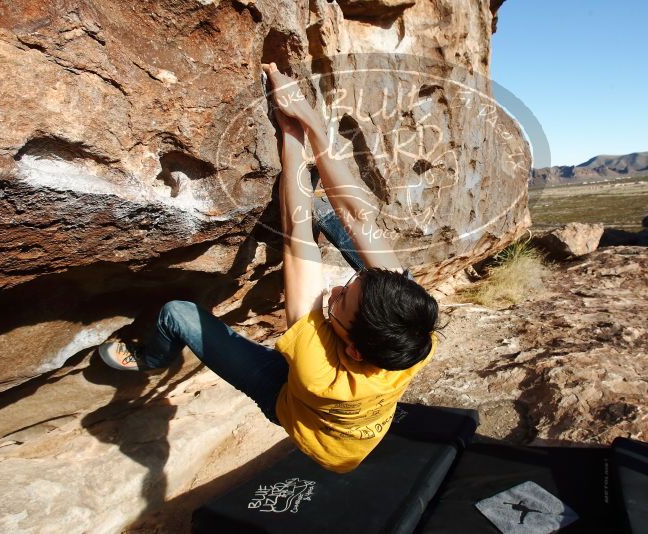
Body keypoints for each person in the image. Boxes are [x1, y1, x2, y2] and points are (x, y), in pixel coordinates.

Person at [98, 63, 440, 473]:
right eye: (351, 283)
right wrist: (312, 118)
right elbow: (359, 217)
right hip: (357, 389)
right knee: (344, 223)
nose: (335, 288)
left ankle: (152, 359)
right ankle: (355, 264)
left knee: (176, 314)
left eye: (341, 299)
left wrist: (291, 134)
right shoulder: (416, 335)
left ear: (351, 347)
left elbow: (296, 229)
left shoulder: (318, 368)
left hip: (302, 413)